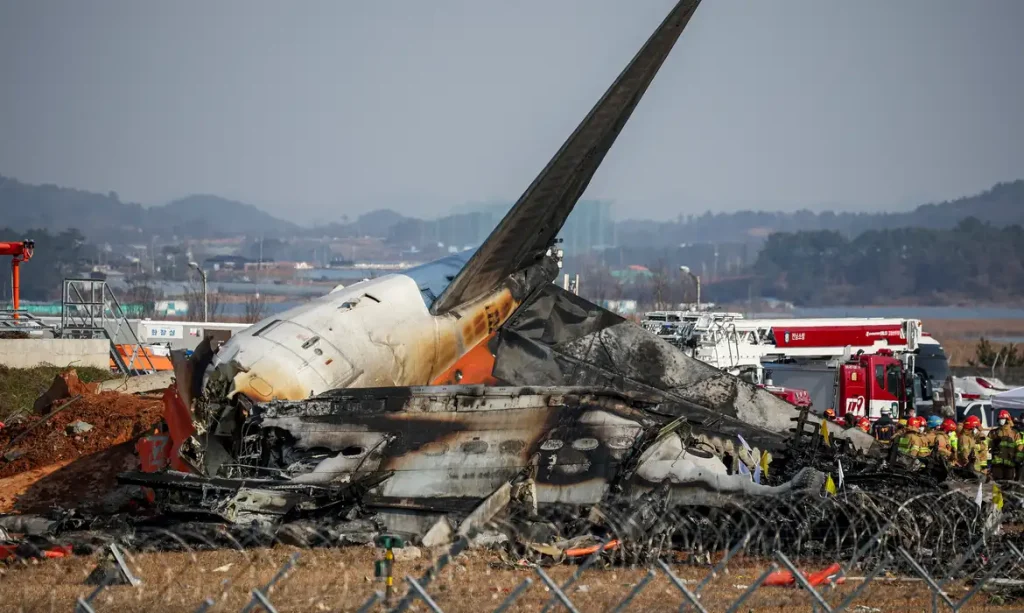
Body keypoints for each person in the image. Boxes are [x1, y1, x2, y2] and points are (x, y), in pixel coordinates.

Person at [988, 410, 1018, 481]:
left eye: (1002, 419)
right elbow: (987, 446)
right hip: (997, 464)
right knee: (997, 484)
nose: (1001, 421)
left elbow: (1019, 447)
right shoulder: (993, 432)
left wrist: (1018, 460)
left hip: (1010, 464)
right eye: (1000, 419)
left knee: (1009, 484)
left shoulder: (1014, 433)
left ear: (1007, 420)